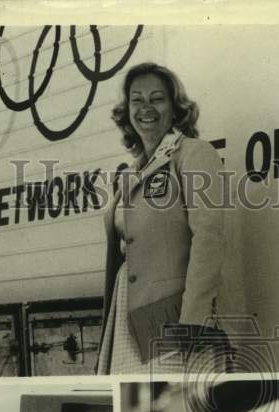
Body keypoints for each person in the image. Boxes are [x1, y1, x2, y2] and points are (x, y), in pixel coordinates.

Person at [96, 62, 229, 374]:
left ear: (175, 107)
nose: (146, 108)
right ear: (126, 110)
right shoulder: (132, 171)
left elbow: (208, 239)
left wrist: (193, 320)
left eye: (157, 99)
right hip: (131, 317)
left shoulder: (194, 153)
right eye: (137, 100)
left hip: (174, 318)